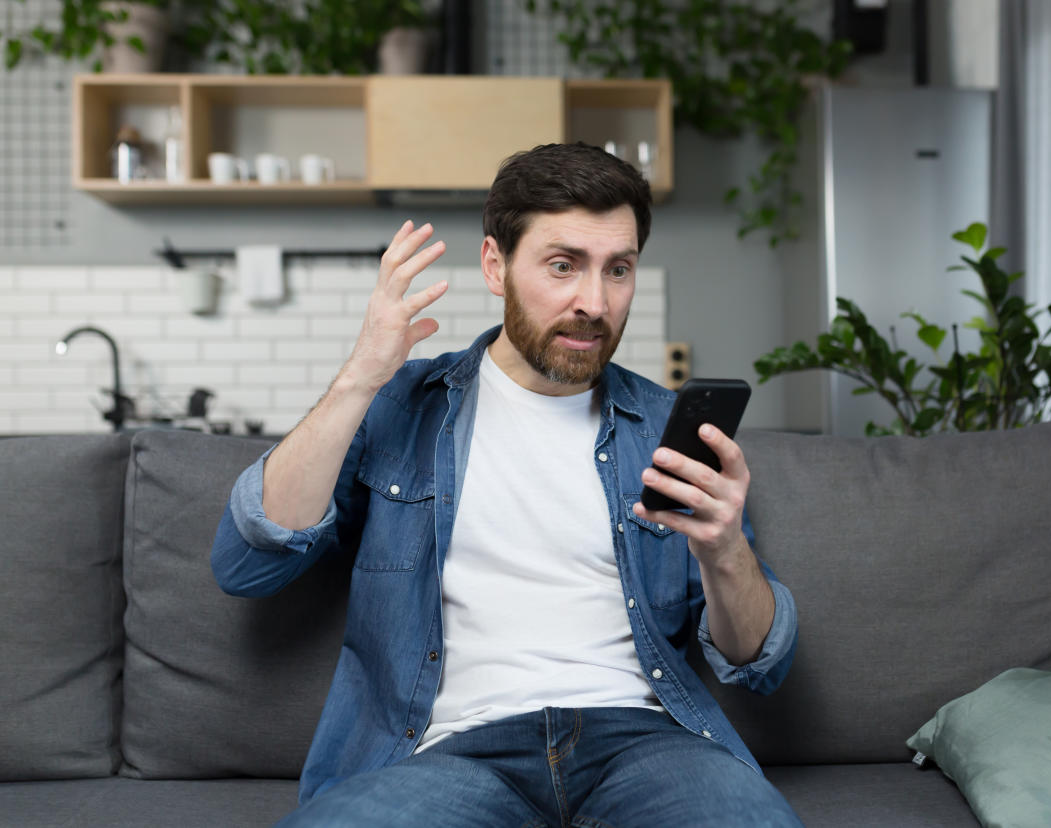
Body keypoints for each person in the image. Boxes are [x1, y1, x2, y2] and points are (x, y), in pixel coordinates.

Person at [211, 142, 801, 827]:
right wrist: (359, 377)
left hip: (644, 748)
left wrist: (726, 548)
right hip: (451, 758)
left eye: (619, 269)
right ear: (496, 265)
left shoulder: (666, 430)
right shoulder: (401, 407)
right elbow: (245, 564)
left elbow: (760, 664)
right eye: (562, 266)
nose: (595, 301)